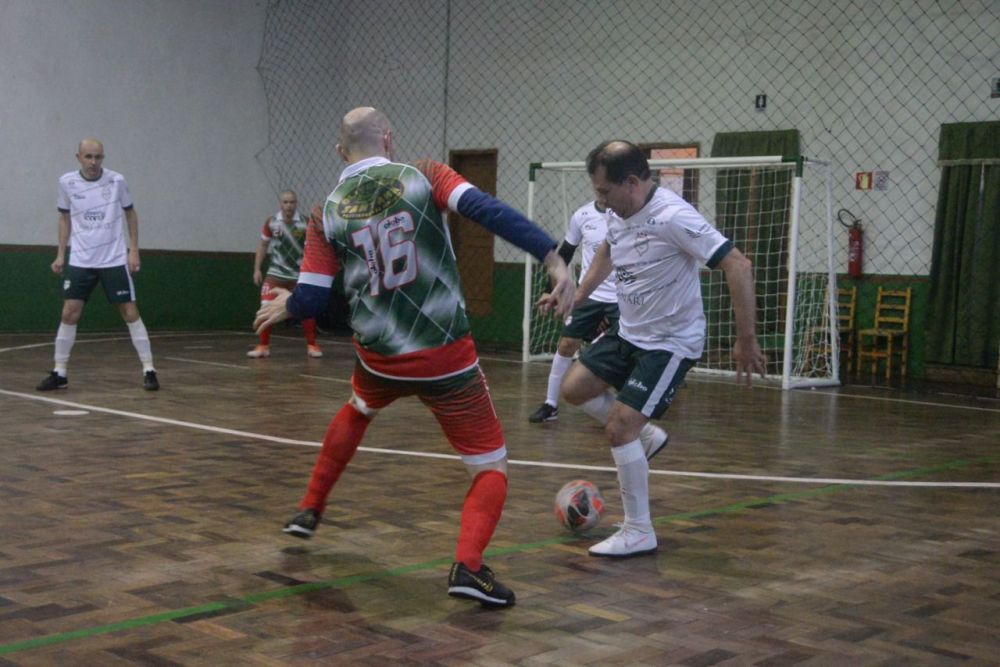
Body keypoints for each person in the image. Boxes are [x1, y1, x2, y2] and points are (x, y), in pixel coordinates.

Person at [255, 107, 574, 608]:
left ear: (341, 153)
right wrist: (553, 258)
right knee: (491, 467)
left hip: (378, 357)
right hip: (445, 359)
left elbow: (312, 300)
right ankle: (468, 567)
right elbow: (488, 211)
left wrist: (286, 305)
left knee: (359, 407)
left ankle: (308, 509)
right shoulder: (424, 175)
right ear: (389, 139)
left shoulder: (325, 211)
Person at [540, 140, 767, 559]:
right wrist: (575, 295)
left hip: (670, 343)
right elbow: (606, 254)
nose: (601, 202)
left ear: (632, 182)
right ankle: (646, 437)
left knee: (618, 427)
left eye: (606, 193)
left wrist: (745, 339)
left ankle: (639, 530)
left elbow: (738, 264)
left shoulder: (672, 216)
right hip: (630, 332)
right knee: (573, 389)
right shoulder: (619, 214)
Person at [37, 138, 159, 392]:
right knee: (69, 313)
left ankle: (149, 369)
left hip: (113, 259)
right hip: (81, 259)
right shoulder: (66, 182)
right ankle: (60, 372)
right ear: (78, 157)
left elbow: (130, 214)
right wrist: (61, 254)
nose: (94, 162)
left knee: (129, 311)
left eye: (98, 157)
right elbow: (64, 218)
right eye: (89, 157)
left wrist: (133, 250)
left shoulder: (116, 181)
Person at [528, 196, 620, 424]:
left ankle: (625, 408)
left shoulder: (626, 215)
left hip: (623, 299)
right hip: (589, 296)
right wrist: (550, 290)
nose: (602, 189)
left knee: (623, 350)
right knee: (567, 344)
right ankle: (550, 404)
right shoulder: (582, 215)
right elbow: (565, 254)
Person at [248, 190, 322, 359]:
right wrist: (257, 269)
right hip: (275, 274)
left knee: (306, 309)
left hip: (299, 275)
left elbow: (315, 246)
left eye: (292, 202)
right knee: (265, 308)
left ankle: (312, 345)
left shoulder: (305, 222)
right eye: (285, 202)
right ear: (280, 204)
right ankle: (263, 346)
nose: (288, 206)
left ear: (296, 204)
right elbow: (263, 245)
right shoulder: (272, 223)